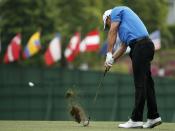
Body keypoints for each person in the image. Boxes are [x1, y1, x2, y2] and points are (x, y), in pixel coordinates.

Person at [103, 6, 162, 128]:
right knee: (147, 84)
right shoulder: (125, 30)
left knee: (140, 83)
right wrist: (111, 60)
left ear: (108, 17)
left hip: (141, 46)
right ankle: (153, 116)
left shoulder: (116, 11)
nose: (109, 26)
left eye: (107, 24)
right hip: (145, 46)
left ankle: (136, 119)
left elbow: (112, 30)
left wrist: (108, 53)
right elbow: (123, 47)